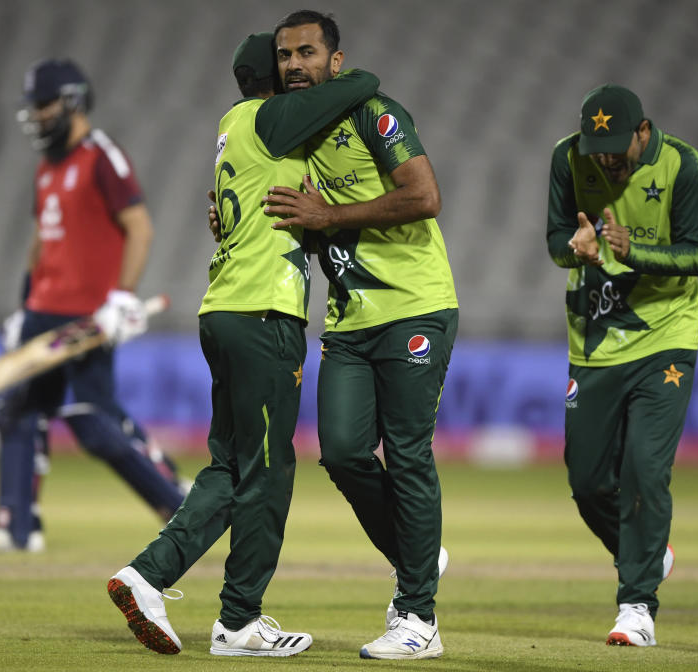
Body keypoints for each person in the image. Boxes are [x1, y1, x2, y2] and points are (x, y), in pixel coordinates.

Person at [105, 34, 380, 657]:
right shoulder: (271, 119)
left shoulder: (236, 128)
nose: (299, 72)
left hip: (226, 310)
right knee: (267, 474)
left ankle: (147, 575)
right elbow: (363, 85)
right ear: (275, 83)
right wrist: (340, 69)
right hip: (263, 315)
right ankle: (239, 620)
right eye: (289, 64)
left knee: (230, 466)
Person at [261, 10, 458, 660]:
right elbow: (297, 218)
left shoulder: (375, 114)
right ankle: (419, 554)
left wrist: (329, 212)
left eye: (307, 52)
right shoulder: (291, 137)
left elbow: (425, 195)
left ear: (335, 63)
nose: (294, 65)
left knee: (406, 453)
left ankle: (418, 618)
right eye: (285, 55)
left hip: (414, 307)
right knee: (343, 453)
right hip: (347, 321)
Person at [0, 58, 187, 553]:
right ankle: (17, 527)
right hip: (44, 310)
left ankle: (176, 504)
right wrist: (25, 306)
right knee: (19, 411)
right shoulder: (48, 166)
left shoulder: (101, 156)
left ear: (71, 102)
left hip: (87, 316)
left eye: (44, 105)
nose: (37, 116)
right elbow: (41, 243)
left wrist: (121, 298)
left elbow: (141, 228)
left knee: (92, 419)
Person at [545, 84, 698, 646]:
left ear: (644, 131)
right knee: (588, 481)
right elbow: (553, 241)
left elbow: (697, 254)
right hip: (594, 340)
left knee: (645, 467)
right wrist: (579, 249)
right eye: (600, 148)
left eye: (619, 146)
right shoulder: (568, 156)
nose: (607, 159)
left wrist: (627, 249)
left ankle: (636, 606)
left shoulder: (682, 164)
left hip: (665, 336)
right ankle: (646, 553)